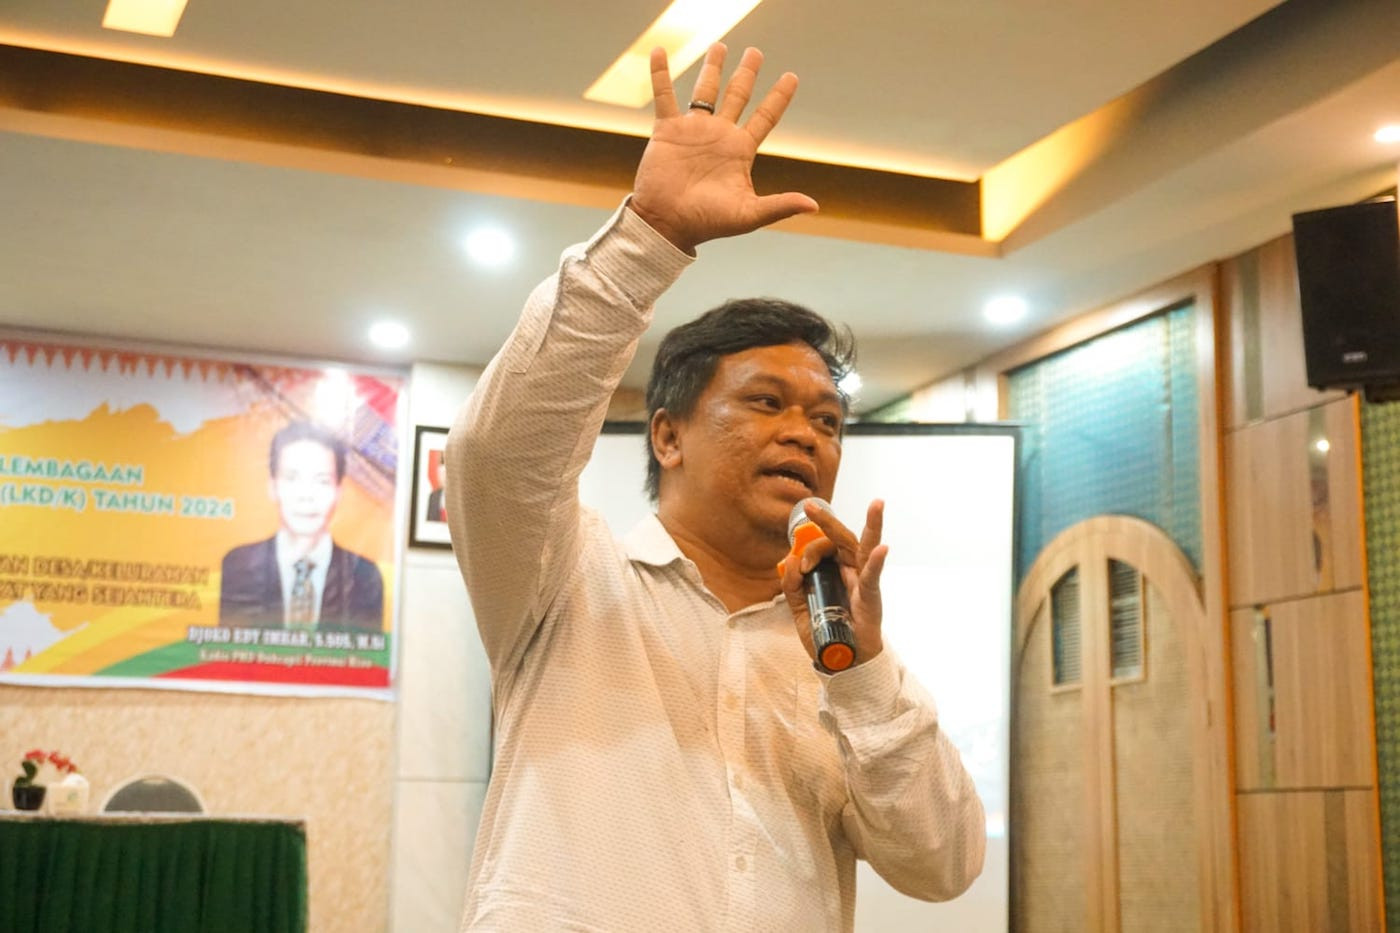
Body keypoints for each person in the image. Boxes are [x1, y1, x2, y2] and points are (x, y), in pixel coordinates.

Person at [445, 44, 985, 932]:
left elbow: (943, 865)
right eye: (767, 403)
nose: (804, 433)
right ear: (668, 435)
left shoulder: (838, 652)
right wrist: (649, 237)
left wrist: (864, 672)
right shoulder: (565, 579)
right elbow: (499, 454)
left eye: (827, 420)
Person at [219, 419, 384, 631]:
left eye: (322, 481)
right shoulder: (239, 566)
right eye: (292, 478)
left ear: (339, 492)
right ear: (272, 488)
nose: (306, 496)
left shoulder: (363, 576)